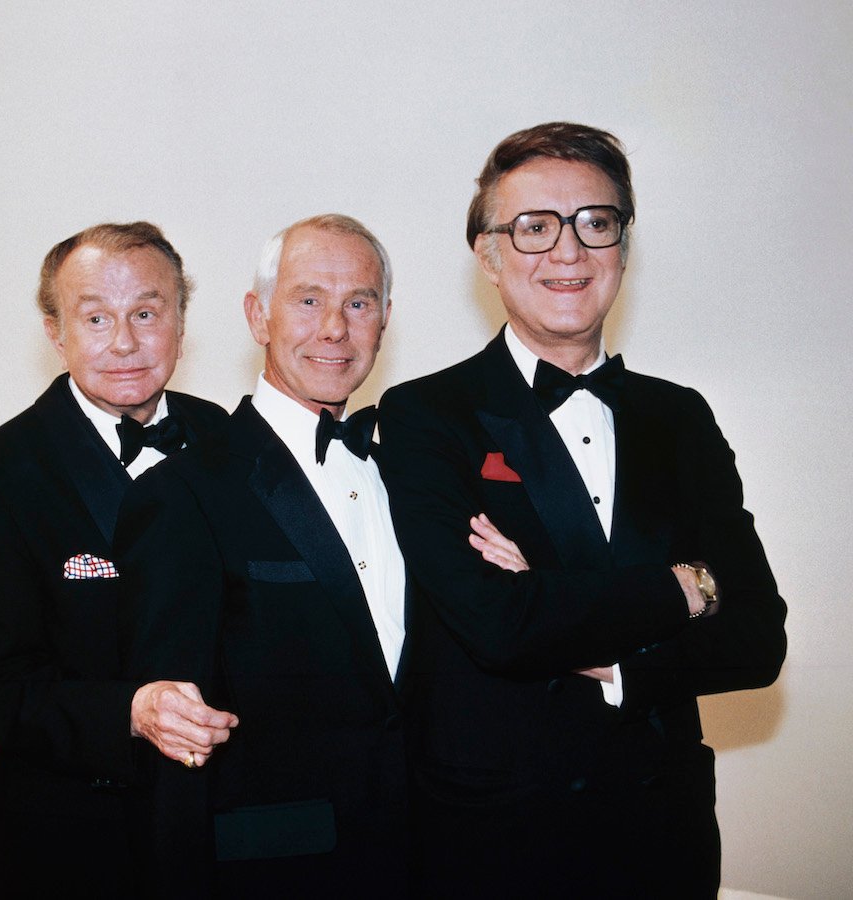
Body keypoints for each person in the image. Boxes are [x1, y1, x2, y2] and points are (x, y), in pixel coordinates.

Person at [378, 122, 788, 897]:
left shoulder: (681, 417)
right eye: (534, 228)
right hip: (496, 841)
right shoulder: (423, 415)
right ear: (489, 256)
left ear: (623, 249)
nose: (568, 252)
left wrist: (600, 645)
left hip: (663, 833)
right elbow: (496, 623)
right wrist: (685, 588)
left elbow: (759, 638)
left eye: (596, 223)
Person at [116, 214, 410, 898]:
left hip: (424, 855)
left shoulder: (413, 476)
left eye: (358, 303)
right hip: (271, 872)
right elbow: (176, 746)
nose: (334, 327)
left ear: (384, 319)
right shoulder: (183, 494)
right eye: (308, 300)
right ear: (259, 316)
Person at [0, 222, 233, 897]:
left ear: (182, 323)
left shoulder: (224, 438)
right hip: (72, 841)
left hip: (219, 827)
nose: (125, 342)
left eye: (146, 313)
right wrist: (129, 711)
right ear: (55, 331)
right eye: (96, 317)